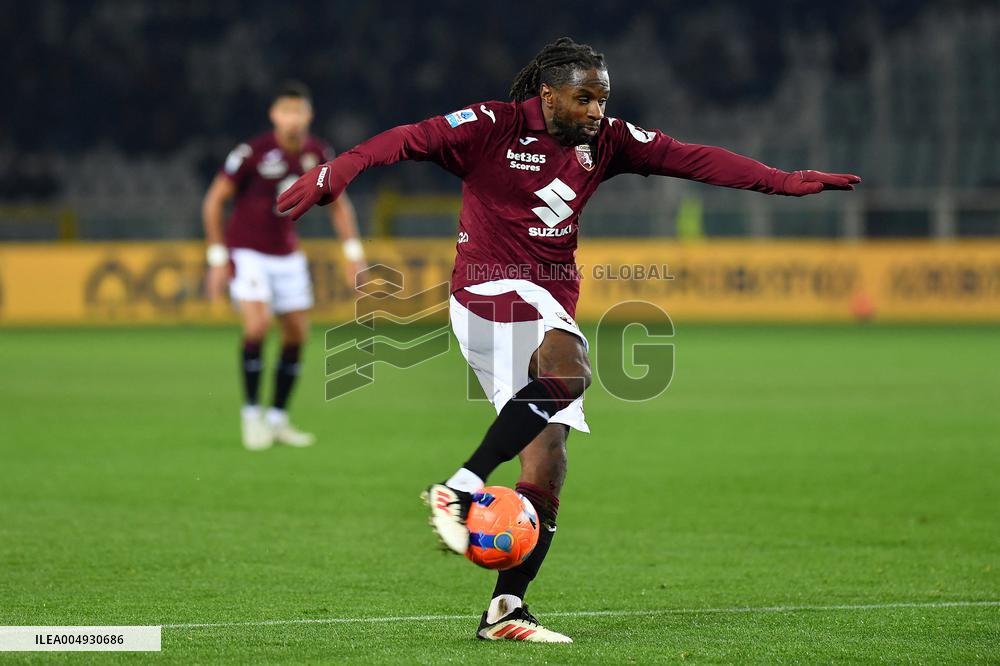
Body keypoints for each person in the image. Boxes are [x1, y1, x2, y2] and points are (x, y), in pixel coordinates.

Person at [277, 38, 860, 641]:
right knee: (575, 366)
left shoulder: (606, 141)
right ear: (547, 93)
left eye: (603, 98)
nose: (595, 111)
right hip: (489, 289)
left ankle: (506, 610)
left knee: (549, 461)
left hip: (544, 302)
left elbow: (692, 158)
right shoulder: (492, 126)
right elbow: (403, 138)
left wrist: (784, 182)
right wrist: (336, 169)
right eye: (583, 98)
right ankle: (458, 489)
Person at [203, 81, 366, 451]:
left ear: (309, 115)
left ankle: (277, 419)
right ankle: (251, 417)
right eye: (285, 111)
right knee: (258, 326)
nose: (292, 118)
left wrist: (353, 253)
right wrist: (216, 259)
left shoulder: (317, 152)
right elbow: (214, 201)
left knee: (296, 334)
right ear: (274, 115)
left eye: (299, 111)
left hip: (288, 254)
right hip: (248, 252)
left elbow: (339, 204)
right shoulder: (253, 152)